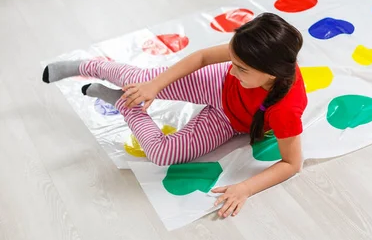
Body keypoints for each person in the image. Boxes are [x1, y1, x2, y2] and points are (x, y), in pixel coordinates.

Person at [42, 13, 307, 218]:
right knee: (140, 81)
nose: (233, 70)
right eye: (233, 61)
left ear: (270, 74)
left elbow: (292, 164)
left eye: (240, 68)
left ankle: (123, 104)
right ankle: (87, 65)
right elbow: (203, 57)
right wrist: (154, 85)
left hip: (228, 121)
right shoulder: (247, 56)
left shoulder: (285, 109)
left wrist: (246, 188)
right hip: (214, 84)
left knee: (161, 154)